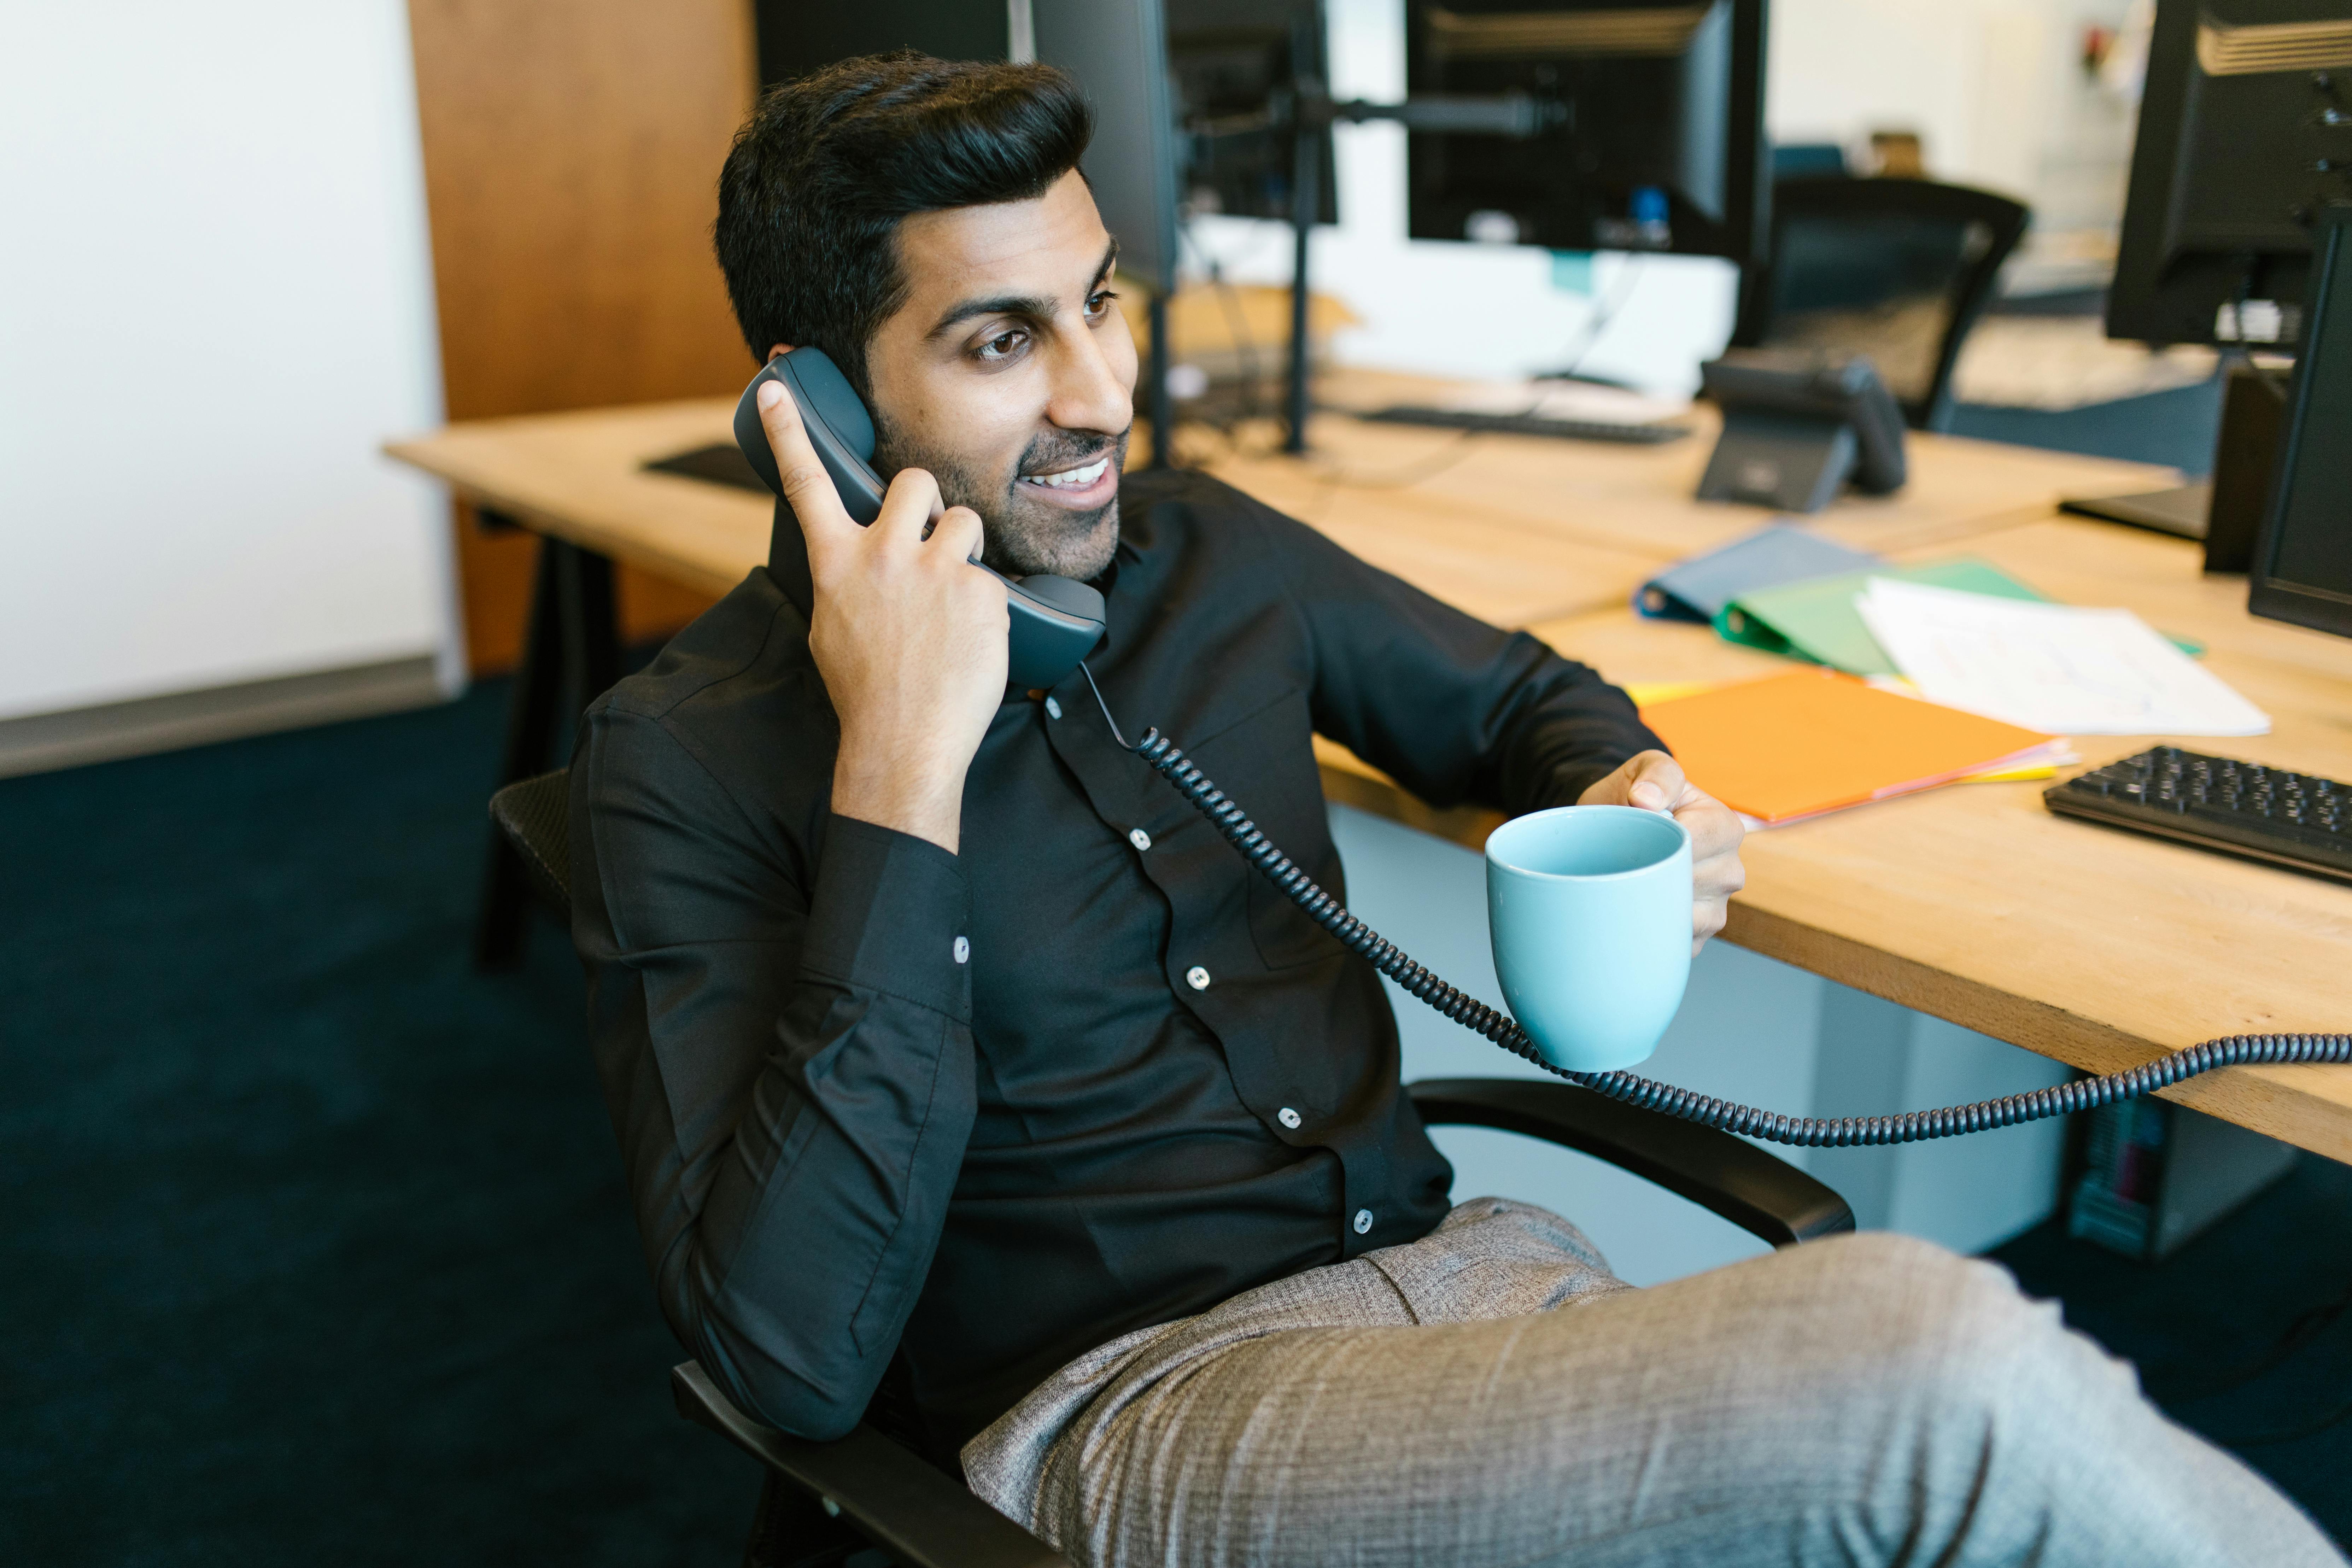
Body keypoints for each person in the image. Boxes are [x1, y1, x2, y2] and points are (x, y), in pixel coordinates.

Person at [569, 50, 2344, 1568]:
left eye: (1098, 300)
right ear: (806, 404)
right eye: (998, 340)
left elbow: (1518, 698)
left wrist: (1621, 782)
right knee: (1928, 1372)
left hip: (1474, 1289)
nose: (1103, 391)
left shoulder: (1208, 557)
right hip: (1145, 1410)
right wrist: (901, 768)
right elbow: (782, 1355)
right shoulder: (688, 756)